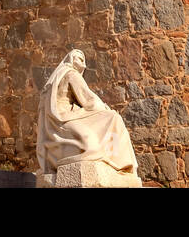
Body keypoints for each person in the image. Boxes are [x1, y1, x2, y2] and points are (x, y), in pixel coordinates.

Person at [36, 48, 138, 176]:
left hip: (61, 118)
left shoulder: (56, 76)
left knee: (107, 122)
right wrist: (104, 108)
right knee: (113, 117)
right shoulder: (71, 74)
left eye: (83, 59)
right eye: (79, 58)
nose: (83, 63)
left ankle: (114, 162)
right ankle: (117, 160)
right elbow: (89, 99)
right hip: (65, 117)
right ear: (71, 59)